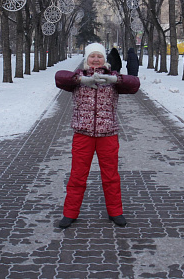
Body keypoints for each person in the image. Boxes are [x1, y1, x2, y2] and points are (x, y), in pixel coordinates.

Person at [55, 43, 140, 228]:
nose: (95, 60)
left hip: (107, 135)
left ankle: (115, 212)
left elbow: (135, 84)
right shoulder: (78, 77)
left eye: (99, 56)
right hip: (83, 134)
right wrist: (81, 80)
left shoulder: (112, 78)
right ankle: (70, 213)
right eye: (92, 56)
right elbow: (59, 77)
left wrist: (115, 80)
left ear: (105, 59)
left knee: (110, 176)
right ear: (86, 59)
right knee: (78, 176)